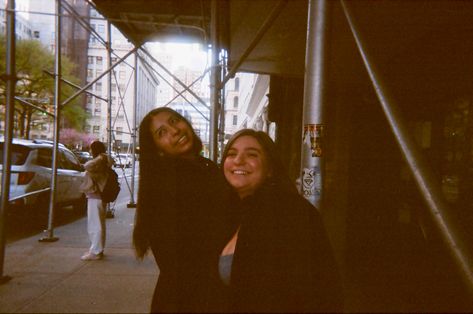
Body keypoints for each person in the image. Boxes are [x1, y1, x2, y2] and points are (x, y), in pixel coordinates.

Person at [220, 129, 344, 313]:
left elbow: (316, 291)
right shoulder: (231, 212)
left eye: (252, 154)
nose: (238, 160)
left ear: (270, 169)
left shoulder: (290, 213)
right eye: (232, 154)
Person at [133, 107, 237, 313]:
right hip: (194, 299)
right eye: (161, 133)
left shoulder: (202, 167)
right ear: (157, 149)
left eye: (175, 121)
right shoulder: (172, 182)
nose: (174, 131)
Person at [80, 140, 114, 261]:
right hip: (98, 196)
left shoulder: (100, 161)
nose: (89, 151)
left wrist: (99, 156)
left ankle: (95, 251)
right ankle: (97, 249)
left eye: (91, 148)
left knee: (95, 224)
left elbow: (87, 166)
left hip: (96, 195)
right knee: (98, 224)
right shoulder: (103, 161)